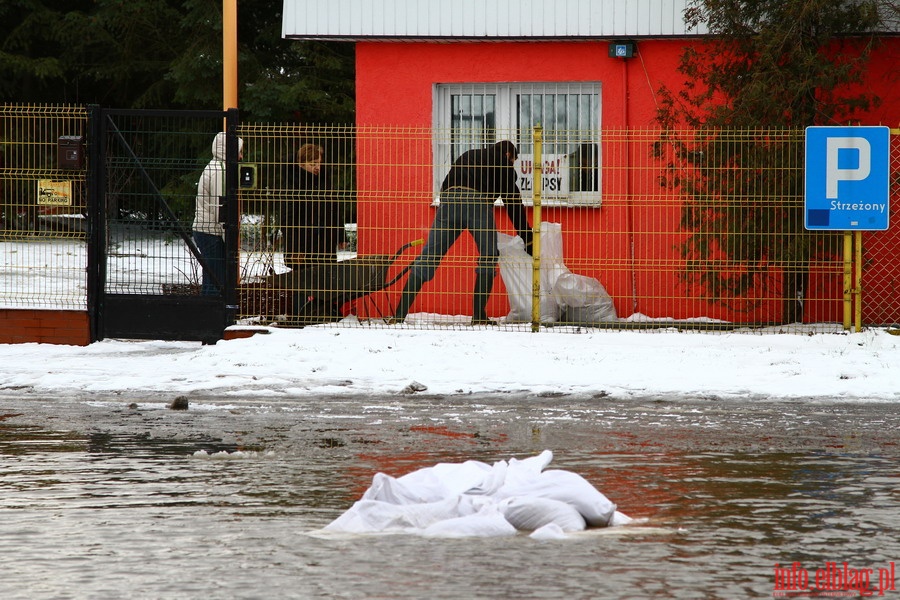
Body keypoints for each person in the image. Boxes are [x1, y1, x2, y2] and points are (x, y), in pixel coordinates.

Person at [394, 140, 533, 325]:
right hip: (477, 203)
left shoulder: (469, 154)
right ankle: (478, 315)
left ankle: (398, 315)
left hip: (448, 202)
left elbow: (445, 184)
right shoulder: (503, 165)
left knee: (428, 257)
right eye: (513, 161)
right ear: (508, 155)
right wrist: (528, 237)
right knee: (488, 256)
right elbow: (513, 205)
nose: (511, 164)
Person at [280, 143, 346, 270]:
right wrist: (294, 248)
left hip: (325, 242)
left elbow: (335, 209)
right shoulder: (293, 185)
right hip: (303, 244)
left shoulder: (324, 180)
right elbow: (287, 219)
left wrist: (341, 235)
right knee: (304, 280)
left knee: (326, 279)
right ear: (301, 164)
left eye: (319, 162)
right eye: (313, 163)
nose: (317, 167)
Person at [192, 131, 243, 296]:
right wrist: (228, 238)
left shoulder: (216, 166)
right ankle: (213, 316)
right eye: (239, 151)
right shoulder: (221, 170)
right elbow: (221, 208)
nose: (242, 156)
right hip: (211, 232)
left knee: (211, 278)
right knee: (217, 280)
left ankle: (207, 314)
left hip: (207, 229)